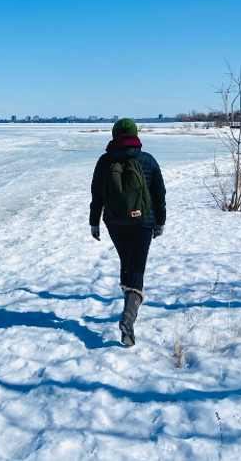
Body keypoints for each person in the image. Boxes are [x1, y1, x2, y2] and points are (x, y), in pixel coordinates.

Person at [88, 118, 166, 347]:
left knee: (126, 261)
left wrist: (94, 223)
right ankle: (128, 318)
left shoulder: (104, 161)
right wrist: (159, 221)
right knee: (137, 267)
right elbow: (159, 195)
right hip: (143, 221)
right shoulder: (147, 160)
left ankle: (127, 303)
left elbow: (97, 195)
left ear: (113, 135)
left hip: (115, 222)